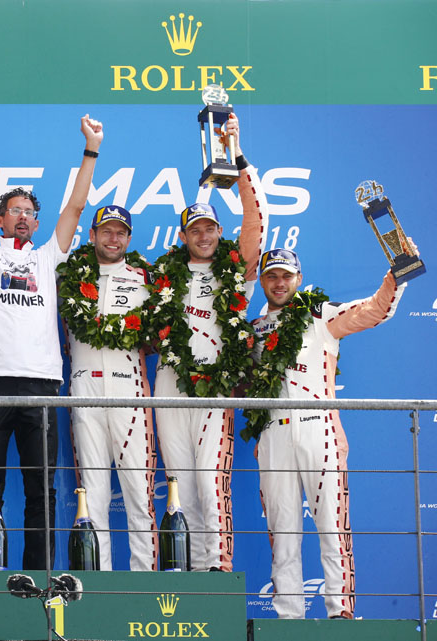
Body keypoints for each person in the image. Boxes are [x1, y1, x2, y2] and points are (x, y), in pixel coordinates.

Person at [0, 114, 104, 569]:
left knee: (42, 491)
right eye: (14, 210)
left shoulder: (47, 258)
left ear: (36, 223)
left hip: (40, 386)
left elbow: (75, 210)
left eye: (30, 212)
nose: (23, 217)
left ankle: (40, 581)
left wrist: (91, 149)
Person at [245, 247, 408, 619]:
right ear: (263, 282)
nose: (279, 282)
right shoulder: (252, 332)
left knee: (332, 526)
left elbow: (372, 311)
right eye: (272, 276)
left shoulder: (318, 314)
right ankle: (288, 617)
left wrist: (395, 277)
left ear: (299, 279)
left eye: (286, 276)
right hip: (272, 436)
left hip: (320, 430)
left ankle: (340, 612)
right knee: (282, 531)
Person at [151, 113, 267, 572]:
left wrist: (237, 157)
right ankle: (185, 572)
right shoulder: (162, 274)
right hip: (169, 385)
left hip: (216, 389)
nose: (203, 235)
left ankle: (215, 572)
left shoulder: (237, 269)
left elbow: (257, 218)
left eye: (210, 228)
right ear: (183, 237)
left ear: (221, 233)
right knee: (180, 483)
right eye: (194, 229)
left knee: (210, 481)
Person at [60, 205, 157, 570]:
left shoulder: (145, 278)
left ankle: (145, 580)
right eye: (106, 231)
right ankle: (98, 583)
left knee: (138, 491)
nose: (113, 238)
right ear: (92, 235)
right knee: (93, 493)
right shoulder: (68, 277)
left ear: (128, 239)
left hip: (129, 390)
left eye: (120, 233)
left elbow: (156, 337)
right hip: (84, 389)